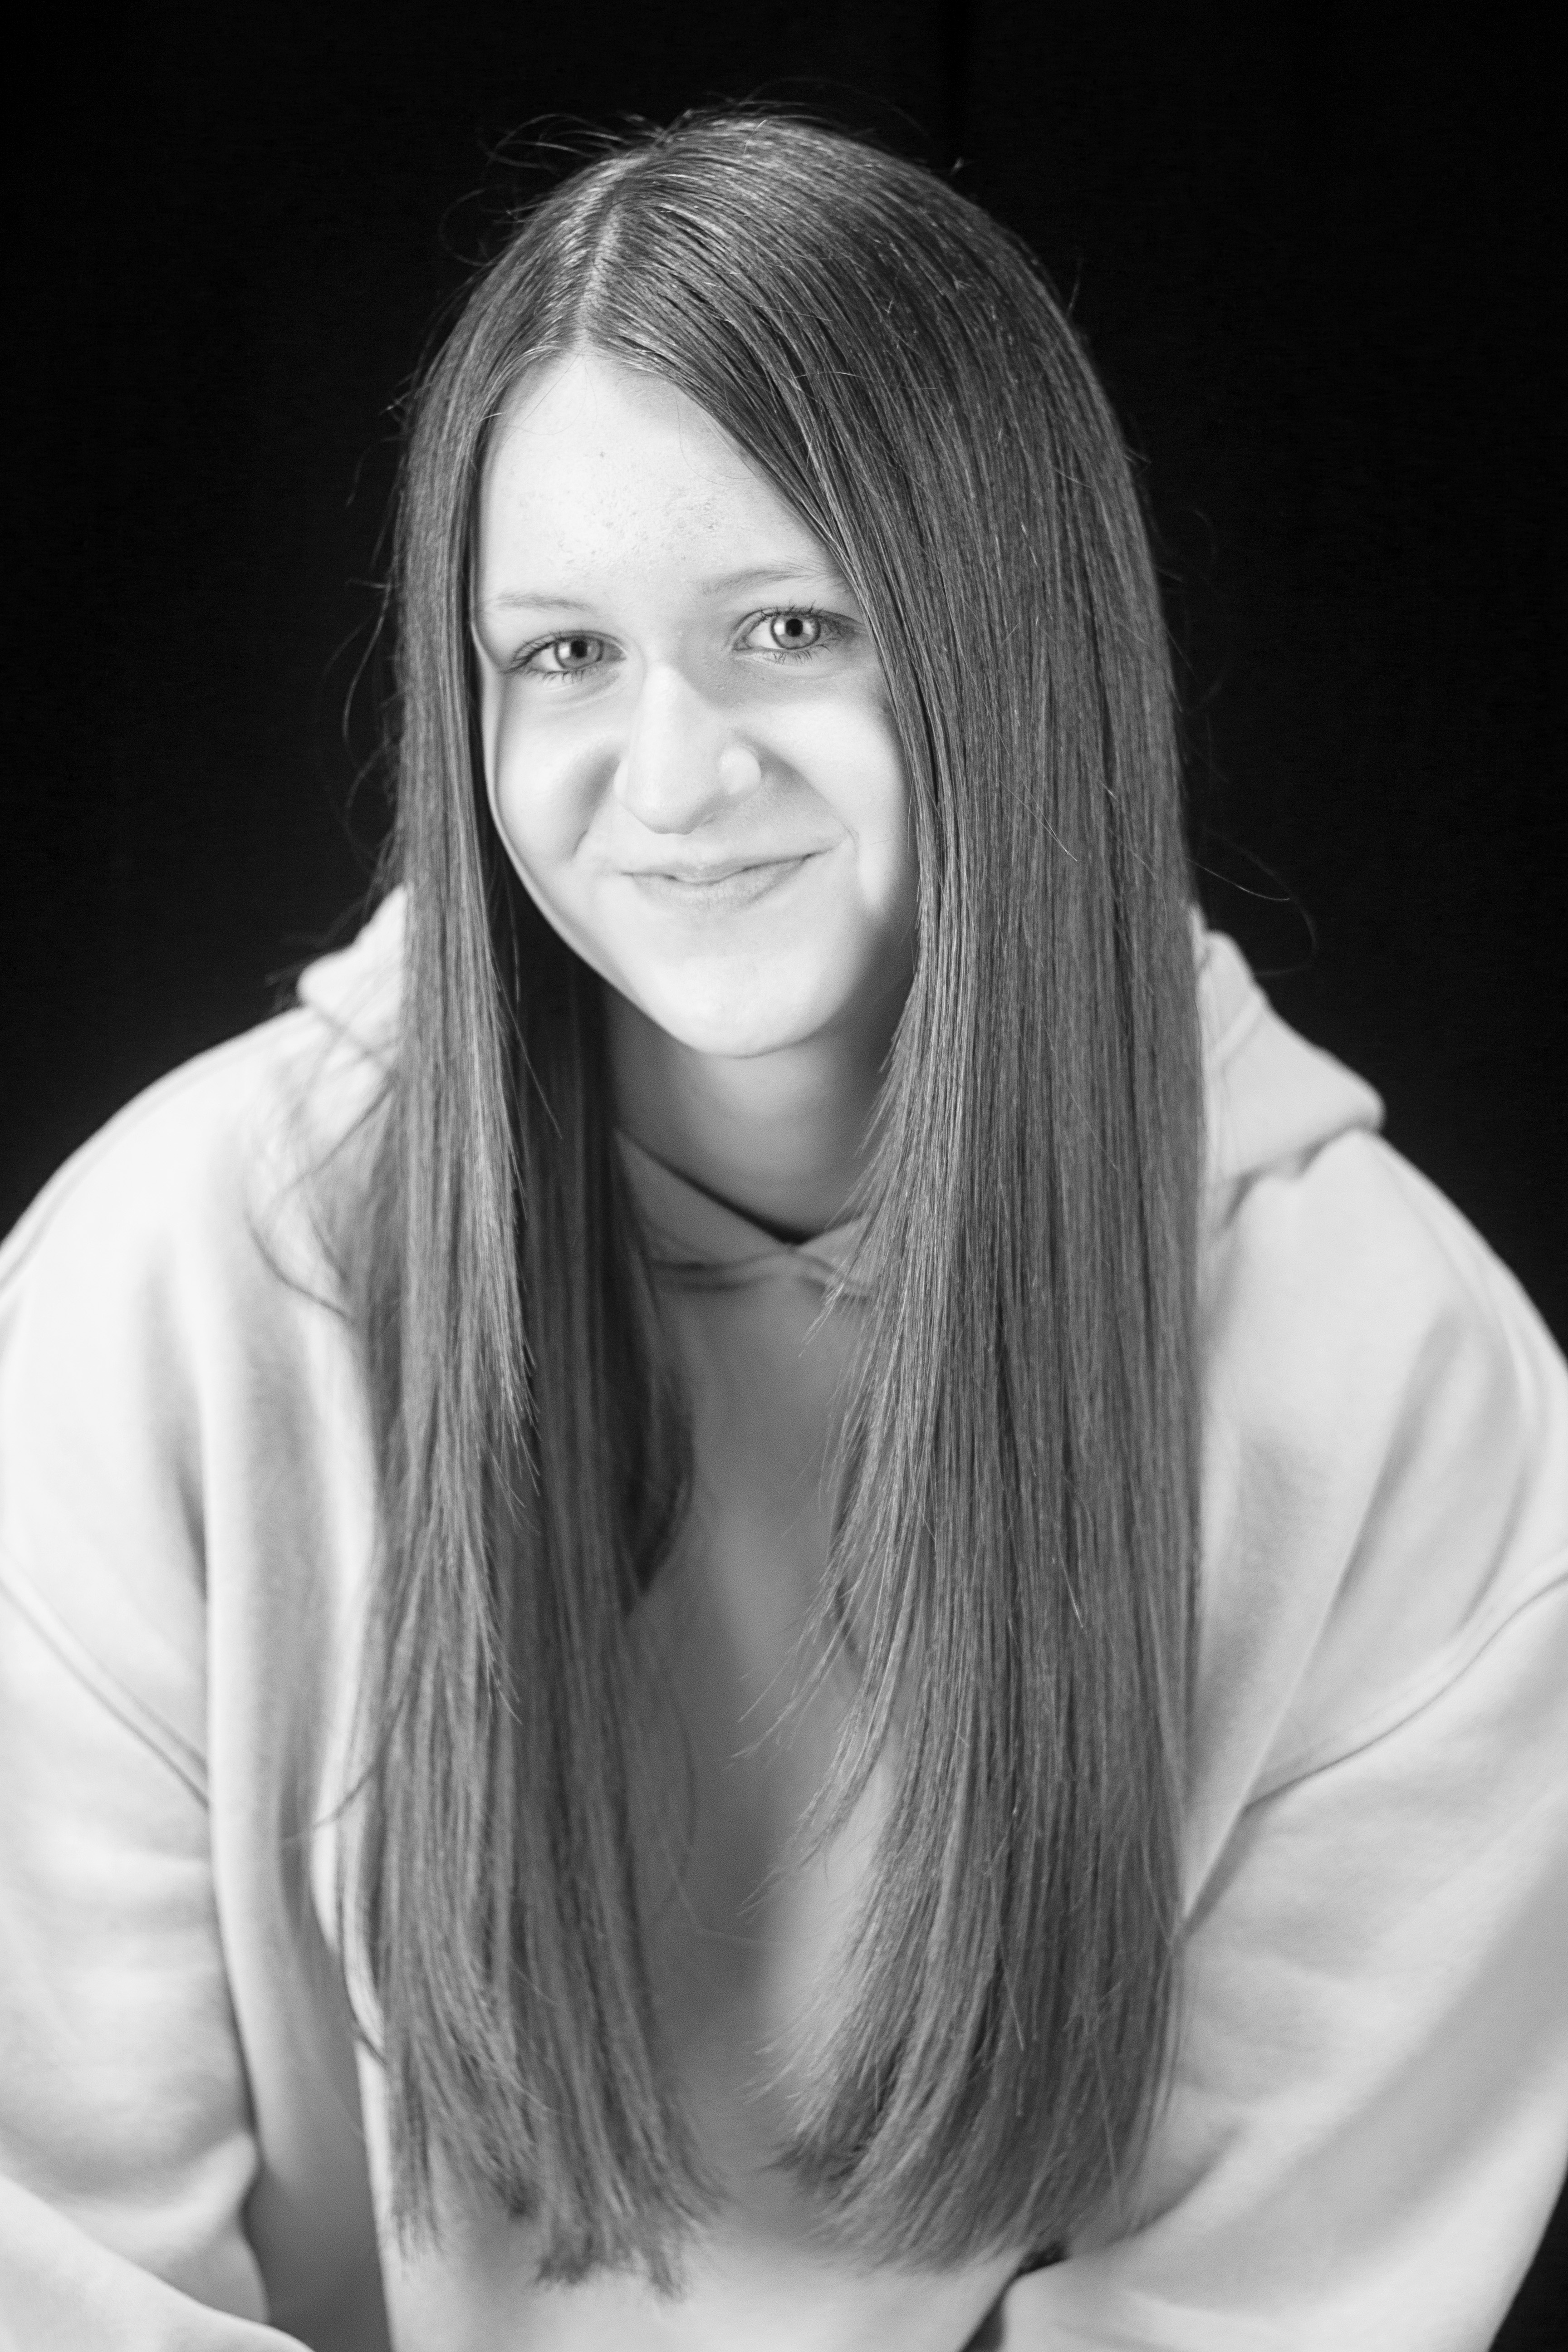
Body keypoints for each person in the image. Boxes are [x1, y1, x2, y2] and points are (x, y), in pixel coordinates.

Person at [1, 107, 1564, 2352]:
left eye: (790, 625)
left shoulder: (1405, 1403)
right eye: (561, 655)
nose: (670, 772)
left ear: (1010, 656)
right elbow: (50, 2252)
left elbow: (1272, 2313)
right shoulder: (172, 1284)